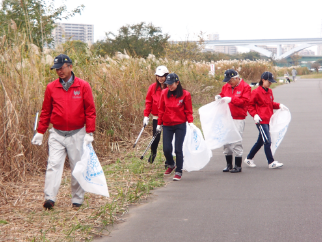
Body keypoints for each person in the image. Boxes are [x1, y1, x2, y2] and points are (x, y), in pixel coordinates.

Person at [31, 54, 96, 209]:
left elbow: (90, 111)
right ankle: (49, 198)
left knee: (77, 167)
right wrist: (40, 132)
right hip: (57, 134)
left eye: (61, 68)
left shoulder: (83, 86)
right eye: (56, 69)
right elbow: (46, 111)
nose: (59, 71)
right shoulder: (51, 87)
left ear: (70, 67)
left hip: (77, 133)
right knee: (53, 165)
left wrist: (89, 132)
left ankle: (77, 199)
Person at [244, 71, 288, 169]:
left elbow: (270, 104)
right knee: (267, 140)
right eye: (269, 81)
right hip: (260, 120)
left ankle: (249, 158)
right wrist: (255, 115)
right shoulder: (256, 92)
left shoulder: (269, 91)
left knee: (261, 141)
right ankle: (271, 162)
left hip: (269, 120)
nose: (270, 83)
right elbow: (250, 105)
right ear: (263, 80)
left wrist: (279, 105)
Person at [157, 73, 195, 181]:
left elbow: (188, 110)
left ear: (177, 83)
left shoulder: (185, 95)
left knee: (178, 149)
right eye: (167, 84)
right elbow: (161, 109)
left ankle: (179, 170)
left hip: (180, 125)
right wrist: (159, 124)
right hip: (167, 125)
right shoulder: (164, 93)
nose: (169, 86)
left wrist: (190, 122)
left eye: (171, 84)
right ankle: (171, 164)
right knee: (166, 149)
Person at [215, 69, 251, 173]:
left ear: (236, 78)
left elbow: (245, 102)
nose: (228, 83)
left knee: (236, 140)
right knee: (226, 140)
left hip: (238, 117)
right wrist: (219, 97)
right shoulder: (226, 86)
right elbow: (222, 94)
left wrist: (231, 100)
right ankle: (229, 164)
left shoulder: (246, 87)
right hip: (226, 116)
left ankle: (238, 165)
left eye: (230, 81)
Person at [143, 65, 169, 164]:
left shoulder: (170, 87)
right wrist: (146, 115)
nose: (160, 78)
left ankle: (168, 160)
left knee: (167, 140)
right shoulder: (153, 87)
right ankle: (153, 153)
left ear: (166, 76)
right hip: (157, 116)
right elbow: (148, 101)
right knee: (156, 137)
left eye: (162, 76)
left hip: (168, 117)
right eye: (158, 76)